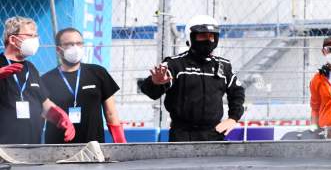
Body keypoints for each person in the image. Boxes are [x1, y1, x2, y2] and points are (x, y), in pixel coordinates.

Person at [138, 14, 245, 142]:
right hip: (182, 135)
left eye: (211, 36)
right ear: (191, 37)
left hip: (214, 134)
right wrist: (155, 83)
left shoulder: (223, 66)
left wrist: (233, 118)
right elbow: (150, 90)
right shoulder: (175, 64)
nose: (208, 40)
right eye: (202, 36)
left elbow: (237, 92)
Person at [41, 27, 126, 144]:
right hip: (57, 148)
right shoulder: (46, 80)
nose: (75, 48)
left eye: (79, 43)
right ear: (58, 49)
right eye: (69, 44)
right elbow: (41, 115)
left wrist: (121, 143)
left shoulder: (98, 73)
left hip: (93, 147)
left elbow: (111, 113)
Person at [0, 16, 76, 144]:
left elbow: (44, 105)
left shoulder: (31, 68)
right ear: (13, 39)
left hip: (32, 147)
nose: (35, 40)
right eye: (30, 35)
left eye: (36, 36)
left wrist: (60, 116)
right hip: (3, 150)